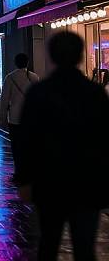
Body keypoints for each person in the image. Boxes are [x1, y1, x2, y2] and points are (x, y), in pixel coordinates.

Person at [18, 32, 109, 260]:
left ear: (51, 56)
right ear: (80, 56)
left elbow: (27, 140)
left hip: (49, 180)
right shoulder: (95, 93)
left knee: (48, 242)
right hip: (88, 181)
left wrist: (24, 179)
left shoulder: (39, 92)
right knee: (85, 246)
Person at [0, 53, 39, 180]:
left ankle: (19, 171)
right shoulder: (34, 77)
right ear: (27, 63)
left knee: (16, 146)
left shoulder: (10, 78)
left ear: (15, 63)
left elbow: (4, 100)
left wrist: (1, 118)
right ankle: (29, 170)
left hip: (15, 118)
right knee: (29, 145)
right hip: (30, 117)